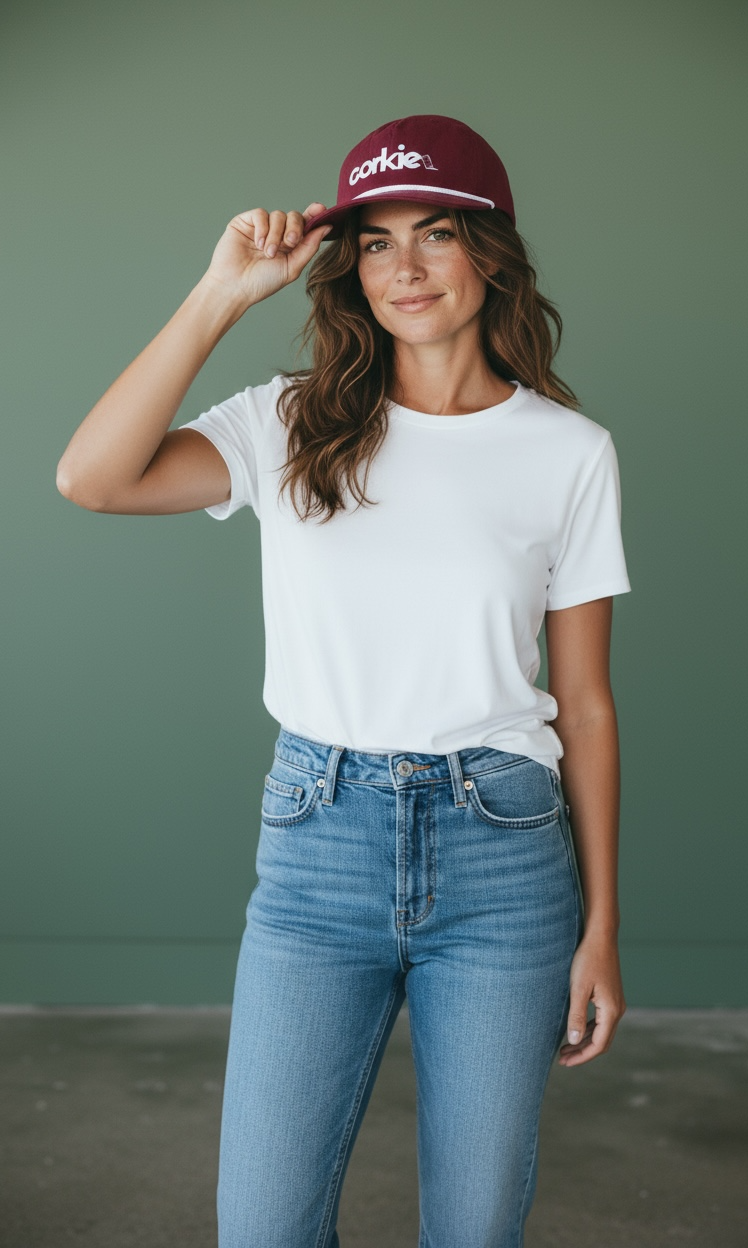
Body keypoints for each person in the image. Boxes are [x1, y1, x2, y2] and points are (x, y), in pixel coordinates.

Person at [57, 114, 632, 1248]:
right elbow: (91, 477)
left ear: (492, 254)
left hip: (504, 852)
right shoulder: (288, 421)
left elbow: (589, 703)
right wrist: (222, 294)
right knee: (263, 1227)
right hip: (318, 843)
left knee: (475, 1229)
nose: (403, 267)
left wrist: (604, 924)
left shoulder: (570, 451)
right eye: (372, 243)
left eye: (433, 235)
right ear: (346, 268)